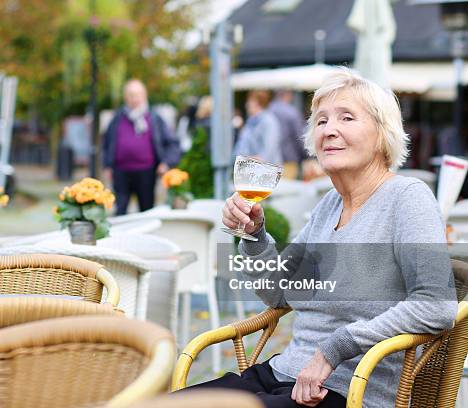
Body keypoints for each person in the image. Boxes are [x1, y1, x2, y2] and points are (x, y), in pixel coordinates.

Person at [187, 69, 457, 408]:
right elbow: (277, 293)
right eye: (321, 121)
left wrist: (333, 349)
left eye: (347, 117)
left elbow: (436, 306)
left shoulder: (408, 197)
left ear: (381, 134)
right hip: (283, 375)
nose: (329, 130)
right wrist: (253, 234)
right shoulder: (328, 206)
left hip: (349, 392)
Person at [103, 79, 181, 215]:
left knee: (146, 211)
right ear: (125, 97)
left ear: (144, 96)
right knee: (119, 211)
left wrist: (166, 163)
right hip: (120, 172)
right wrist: (107, 166)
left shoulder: (154, 118)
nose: (134, 98)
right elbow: (107, 143)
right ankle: (121, 236)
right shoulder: (117, 118)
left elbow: (172, 143)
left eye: (137, 94)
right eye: (131, 95)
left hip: (146, 172)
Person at [234, 90, 283, 165]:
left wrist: (250, 159)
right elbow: (242, 147)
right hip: (250, 169)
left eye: (249, 101)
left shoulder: (269, 121)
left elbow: (268, 151)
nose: (246, 104)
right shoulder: (250, 122)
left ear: (258, 103)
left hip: (266, 170)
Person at [269, 90, 307, 178]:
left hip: (270, 160)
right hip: (288, 160)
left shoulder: (268, 110)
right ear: (288, 95)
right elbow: (299, 137)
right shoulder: (292, 112)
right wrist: (307, 156)